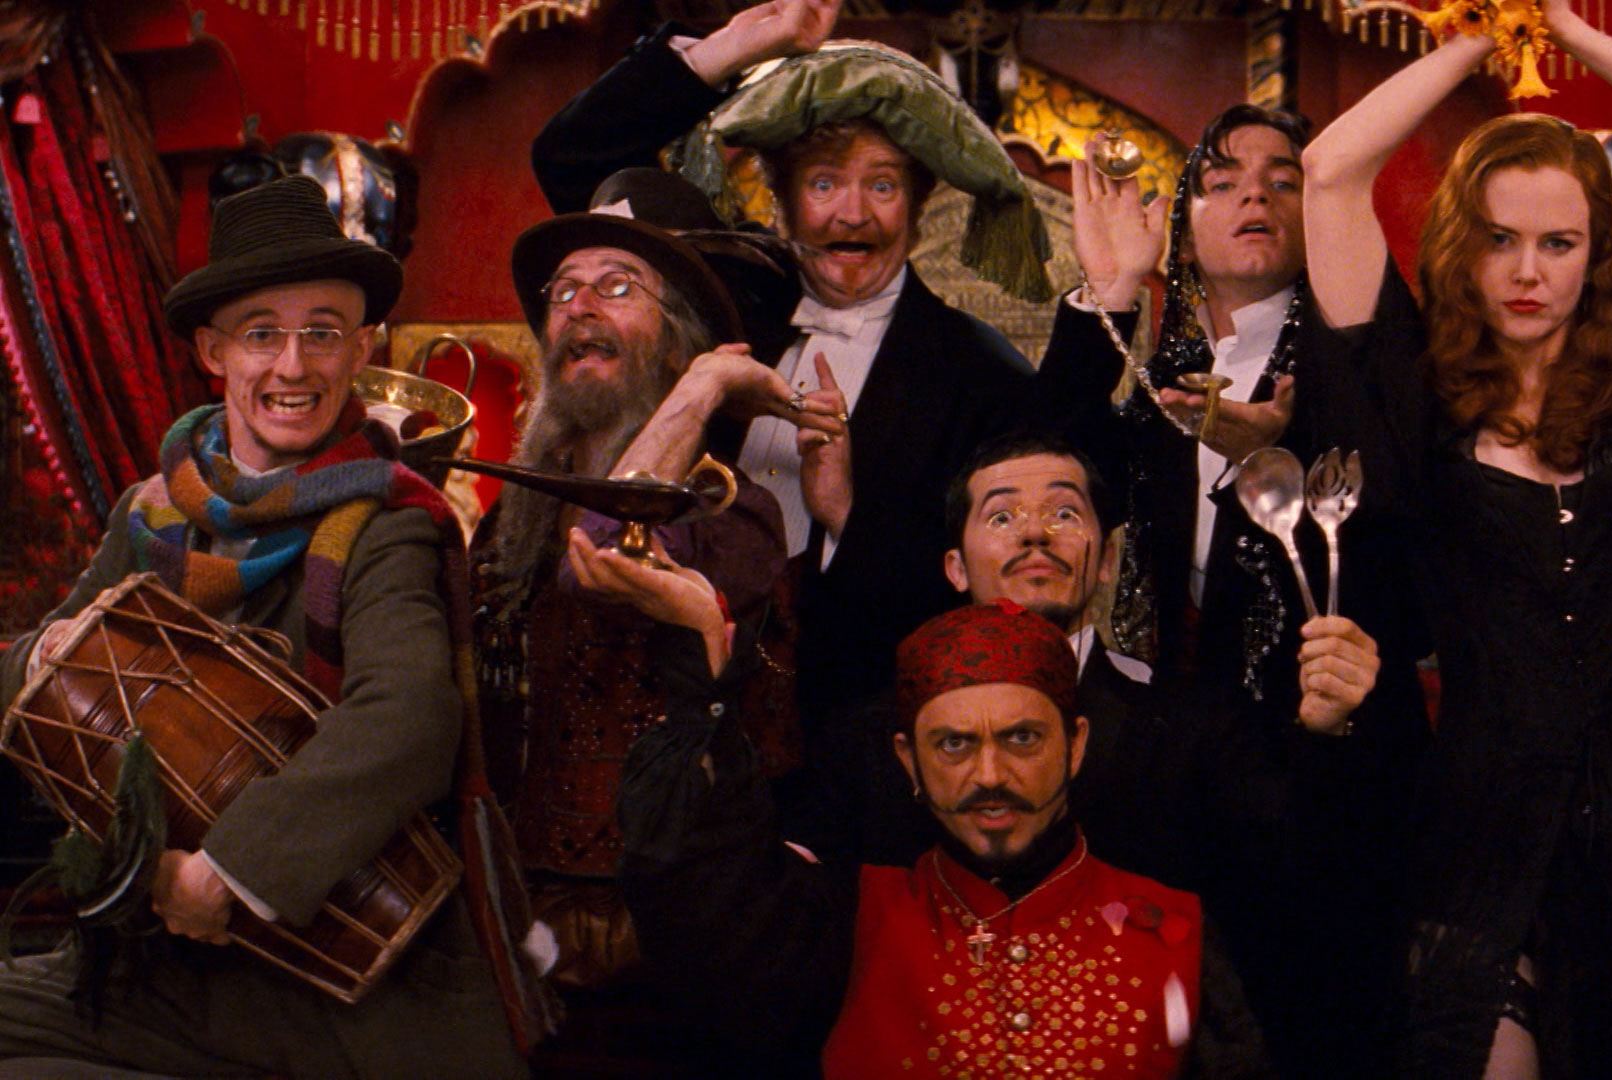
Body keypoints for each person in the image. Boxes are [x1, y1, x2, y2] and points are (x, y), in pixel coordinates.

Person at [1299, 1, 1612, 1074]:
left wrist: (1569, 30)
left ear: (1597, 251)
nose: (1528, 270)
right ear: (1462, 244)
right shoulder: (1416, 383)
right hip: (1481, 820)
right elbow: (1332, 170)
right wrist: (1482, 33)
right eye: (1500, 239)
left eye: (1558, 243)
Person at [0, 175, 526, 1077]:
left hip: (335, 969)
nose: (293, 366)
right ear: (213, 352)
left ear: (362, 348)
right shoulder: (152, 513)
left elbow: (408, 719)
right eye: (260, 334)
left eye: (322, 332)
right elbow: (22, 680)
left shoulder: (387, 521)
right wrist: (43, 654)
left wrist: (228, 870)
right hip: (158, 962)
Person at [532, 0, 1099, 713]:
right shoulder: (717, 299)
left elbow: (985, 589)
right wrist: (730, 49)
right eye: (824, 183)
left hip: (855, 728)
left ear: (918, 207)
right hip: (663, 701)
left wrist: (845, 514)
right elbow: (573, 158)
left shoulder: (983, 376)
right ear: (780, 200)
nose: (852, 213)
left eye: (882, 185)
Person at [797, 430, 1381, 1076]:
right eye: (1002, 516)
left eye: (1064, 512)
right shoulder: (868, 737)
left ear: (1105, 560)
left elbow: (1298, 897)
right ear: (955, 567)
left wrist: (1326, 736)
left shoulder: (1197, 725)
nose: (1035, 532)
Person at [1052, 108, 1432, 1072]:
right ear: (1183, 233)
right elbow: (1052, 472)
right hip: (1177, 768)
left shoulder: (1356, 351)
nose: (1253, 194)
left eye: (1283, 178)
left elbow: (1402, 515)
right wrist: (1111, 292)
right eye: (1220, 182)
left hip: (1328, 771)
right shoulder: (1169, 375)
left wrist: (1274, 445)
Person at [612, 595, 1272, 1076]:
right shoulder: (847, 919)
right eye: (954, 744)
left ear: (1075, 746)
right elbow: (704, 901)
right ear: (909, 762)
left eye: (1022, 738)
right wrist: (700, 672)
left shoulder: (1174, 931)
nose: (990, 775)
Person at [474, 194, 802, 999]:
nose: (580, 306)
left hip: (666, 922)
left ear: (676, 344)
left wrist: (703, 387)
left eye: (617, 286)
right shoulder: (511, 518)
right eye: (563, 291)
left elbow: (598, 555)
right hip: (505, 909)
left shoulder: (728, 507)